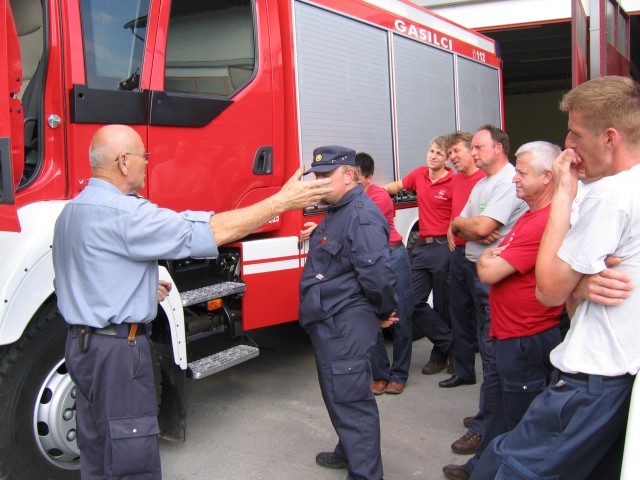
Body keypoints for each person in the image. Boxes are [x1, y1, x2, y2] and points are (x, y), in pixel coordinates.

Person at [52, 124, 333, 479]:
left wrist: (135, 285)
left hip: (82, 347)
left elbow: (78, 273)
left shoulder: (72, 212)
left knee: (97, 450)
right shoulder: (125, 214)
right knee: (129, 457)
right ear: (124, 162)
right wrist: (281, 202)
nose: (147, 164)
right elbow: (209, 232)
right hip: (118, 355)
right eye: (144, 157)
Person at [471, 75, 640, 479]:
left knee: (505, 467)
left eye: (576, 135)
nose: (569, 146)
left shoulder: (610, 196)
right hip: (614, 374)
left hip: (591, 375)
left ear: (610, 137)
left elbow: (548, 290)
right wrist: (578, 282)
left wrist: (564, 192)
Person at [443, 141, 564, 480]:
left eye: (523, 173)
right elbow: (480, 242)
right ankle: (480, 466)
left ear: (547, 177)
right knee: (502, 410)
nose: (515, 180)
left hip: (526, 337)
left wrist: (486, 253)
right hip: (509, 333)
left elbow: (489, 268)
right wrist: (486, 251)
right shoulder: (529, 216)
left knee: (520, 422)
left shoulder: (543, 223)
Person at [299, 145, 398, 480]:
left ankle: (366, 473)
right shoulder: (339, 209)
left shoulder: (362, 215)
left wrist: (384, 311)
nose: (321, 182)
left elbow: (378, 277)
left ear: (349, 175)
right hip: (329, 321)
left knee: (353, 404)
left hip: (344, 326)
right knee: (337, 394)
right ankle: (348, 449)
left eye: (327, 175)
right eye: (318, 176)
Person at [448, 125, 527, 456]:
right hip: (475, 271)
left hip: (495, 280)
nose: (472, 152)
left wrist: (470, 226)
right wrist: (467, 226)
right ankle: (490, 414)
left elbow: (477, 226)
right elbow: (457, 225)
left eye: (478, 146)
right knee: (488, 349)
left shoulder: (509, 181)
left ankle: (488, 428)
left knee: (495, 357)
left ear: (499, 148)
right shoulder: (482, 184)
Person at [385, 136, 455, 376]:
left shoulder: (454, 182)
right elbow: (393, 188)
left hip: (443, 248)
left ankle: (440, 356)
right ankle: (451, 345)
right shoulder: (419, 175)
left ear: (448, 159)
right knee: (412, 302)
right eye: (431, 151)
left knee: (445, 305)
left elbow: (461, 212)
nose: (433, 156)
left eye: (439, 153)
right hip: (422, 248)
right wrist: (367, 194)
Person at [356, 152, 414, 395]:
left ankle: (399, 374)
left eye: (357, 179)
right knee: (371, 318)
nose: (351, 182)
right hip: (369, 261)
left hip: (392, 257)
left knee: (399, 317)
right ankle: (380, 374)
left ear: (369, 178)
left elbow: (357, 225)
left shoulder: (379, 198)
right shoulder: (350, 198)